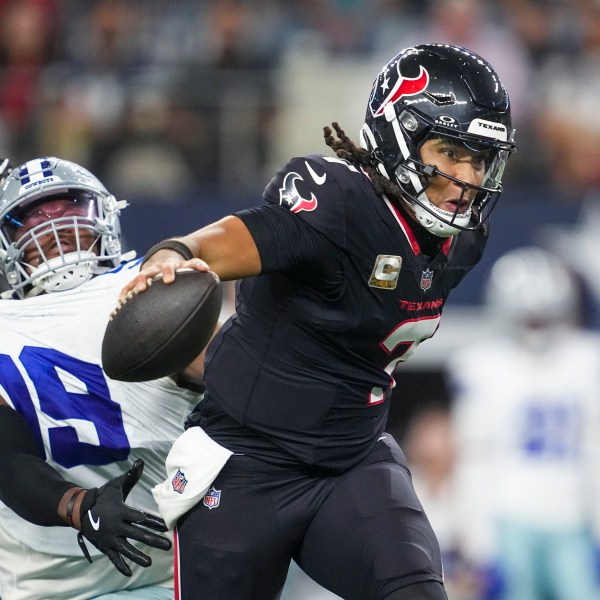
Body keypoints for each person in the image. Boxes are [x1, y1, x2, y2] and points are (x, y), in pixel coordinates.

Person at [122, 43, 516, 600]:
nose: (465, 178)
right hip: (245, 464)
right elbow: (249, 236)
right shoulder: (340, 200)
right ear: (398, 136)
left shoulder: (464, 238)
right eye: (450, 151)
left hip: (351, 462)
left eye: (479, 159)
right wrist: (176, 253)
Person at [0, 156, 207, 600]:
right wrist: (79, 506)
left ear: (103, 216)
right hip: (48, 572)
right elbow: (5, 458)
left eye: (69, 207)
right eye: (32, 216)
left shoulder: (153, 284)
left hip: (180, 550)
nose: (52, 226)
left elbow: (235, 382)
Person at [448, 246, 600, 600]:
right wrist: (478, 539)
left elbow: (594, 450)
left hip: (573, 515)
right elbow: (475, 457)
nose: (536, 324)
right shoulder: (482, 366)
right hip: (509, 513)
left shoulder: (586, 360)